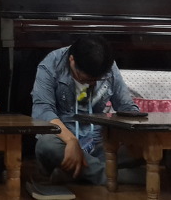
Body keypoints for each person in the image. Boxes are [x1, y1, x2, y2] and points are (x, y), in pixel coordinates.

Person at [31, 34, 142, 185]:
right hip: (64, 144)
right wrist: (71, 141)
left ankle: (75, 174)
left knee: (146, 148)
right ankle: (116, 177)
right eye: (86, 79)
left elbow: (126, 106)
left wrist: (136, 136)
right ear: (72, 61)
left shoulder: (107, 66)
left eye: (96, 80)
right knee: (46, 145)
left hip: (99, 145)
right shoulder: (51, 65)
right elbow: (43, 111)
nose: (91, 84)